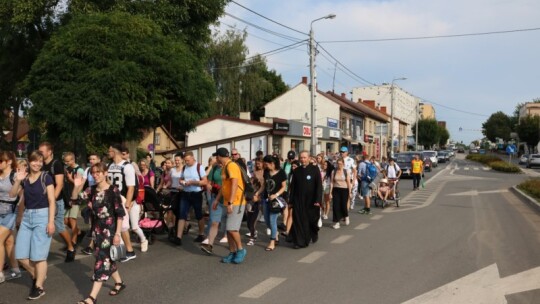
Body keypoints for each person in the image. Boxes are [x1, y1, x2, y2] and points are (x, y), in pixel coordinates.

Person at [72, 162, 126, 304]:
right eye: (93, 173)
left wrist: (118, 234)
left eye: (98, 172)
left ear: (105, 173)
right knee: (107, 258)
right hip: (97, 230)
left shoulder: (113, 190)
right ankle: (119, 283)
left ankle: (91, 298)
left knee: (101, 262)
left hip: (110, 230)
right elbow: (74, 201)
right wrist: (76, 186)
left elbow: (120, 213)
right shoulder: (91, 190)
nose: (95, 175)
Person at [11, 151, 56, 300]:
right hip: (27, 217)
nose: (37, 164)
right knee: (20, 255)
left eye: (40, 161)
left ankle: (39, 287)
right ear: (29, 162)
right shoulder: (25, 179)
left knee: (38, 256)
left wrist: (50, 222)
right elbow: (12, 195)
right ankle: (39, 276)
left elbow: (51, 201)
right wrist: (18, 180)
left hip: (42, 216)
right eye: (34, 161)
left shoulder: (46, 177)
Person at [38, 142, 74, 262]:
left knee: (59, 227)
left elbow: (59, 184)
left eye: (42, 152)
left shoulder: (56, 164)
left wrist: (51, 200)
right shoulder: (40, 164)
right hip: (42, 201)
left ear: (50, 152)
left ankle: (70, 248)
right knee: (42, 226)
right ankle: (37, 254)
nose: (40, 154)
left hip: (56, 201)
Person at [212, 148, 247, 264]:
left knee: (232, 229)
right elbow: (224, 186)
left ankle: (241, 250)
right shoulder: (224, 167)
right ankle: (232, 252)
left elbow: (235, 184)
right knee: (228, 229)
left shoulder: (231, 166)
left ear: (220, 156)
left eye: (216, 156)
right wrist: (217, 200)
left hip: (236, 201)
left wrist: (231, 202)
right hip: (228, 202)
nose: (215, 159)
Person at [107, 144, 137, 262]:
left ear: (115, 151)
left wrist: (128, 203)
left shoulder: (127, 166)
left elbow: (131, 187)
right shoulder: (110, 165)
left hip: (122, 198)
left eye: (110, 150)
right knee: (113, 225)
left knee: (123, 226)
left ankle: (130, 251)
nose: (108, 153)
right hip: (111, 198)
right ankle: (118, 249)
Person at [170, 152, 207, 245]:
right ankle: (178, 237)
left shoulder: (199, 167)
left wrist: (193, 182)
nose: (186, 162)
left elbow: (205, 181)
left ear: (193, 158)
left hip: (196, 193)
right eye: (185, 160)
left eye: (188, 160)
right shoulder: (185, 167)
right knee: (182, 215)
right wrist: (182, 182)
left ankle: (201, 234)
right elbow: (181, 178)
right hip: (185, 193)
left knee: (198, 214)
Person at [288, 151, 322, 249]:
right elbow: (293, 187)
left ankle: (312, 233)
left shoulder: (315, 169)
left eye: (305, 157)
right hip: (298, 199)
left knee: (310, 220)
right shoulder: (297, 171)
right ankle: (300, 241)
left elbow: (319, 186)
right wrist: (290, 201)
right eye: (301, 158)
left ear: (309, 158)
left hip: (311, 200)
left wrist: (318, 200)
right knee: (298, 220)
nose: (303, 159)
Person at [0, 151, 21, 284]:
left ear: (8, 162)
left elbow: (22, 196)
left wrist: (20, 215)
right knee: (8, 243)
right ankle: (16, 270)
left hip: (11, 212)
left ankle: (0, 273)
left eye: (0, 161)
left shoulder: (14, 175)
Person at [200, 158, 226, 255]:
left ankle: (234, 247)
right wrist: (209, 186)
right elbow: (209, 181)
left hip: (229, 200)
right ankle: (210, 245)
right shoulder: (215, 168)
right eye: (218, 160)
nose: (219, 163)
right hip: (216, 198)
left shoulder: (231, 168)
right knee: (214, 222)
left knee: (229, 225)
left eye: (220, 160)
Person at [262, 155, 287, 251]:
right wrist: (257, 193)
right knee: (267, 220)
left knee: (272, 220)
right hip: (266, 199)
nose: (265, 166)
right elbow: (264, 185)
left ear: (272, 163)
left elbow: (284, 187)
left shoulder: (281, 172)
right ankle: (275, 233)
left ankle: (272, 241)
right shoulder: (266, 172)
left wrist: (276, 195)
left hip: (276, 200)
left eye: (266, 164)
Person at [62, 152, 84, 248]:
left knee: (72, 219)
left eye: (68, 161)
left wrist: (70, 179)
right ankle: (79, 232)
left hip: (75, 196)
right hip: (67, 196)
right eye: (65, 161)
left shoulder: (79, 170)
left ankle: (73, 242)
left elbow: (78, 183)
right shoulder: (66, 169)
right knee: (65, 220)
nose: (67, 163)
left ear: (73, 159)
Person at [81, 153, 101, 255]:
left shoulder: (102, 170)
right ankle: (93, 243)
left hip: (100, 196)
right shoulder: (88, 170)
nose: (92, 161)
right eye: (90, 159)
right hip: (91, 196)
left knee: (97, 222)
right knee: (93, 221)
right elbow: (82, 183)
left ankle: (91, 245)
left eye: (94, 159)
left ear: (99, 159)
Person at [329, 158, 351, 229]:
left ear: (343, 164)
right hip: (336, 189)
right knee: (335, 206)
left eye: (340, 164)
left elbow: (348, 182)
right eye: (338, 164)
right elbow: (332, 182)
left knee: (343, 205)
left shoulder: (346, 171)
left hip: (344, 190)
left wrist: (350, 192)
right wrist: (330, 192)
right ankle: (337, 222)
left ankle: (346, 216)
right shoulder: (334, 171)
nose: (339, 165)